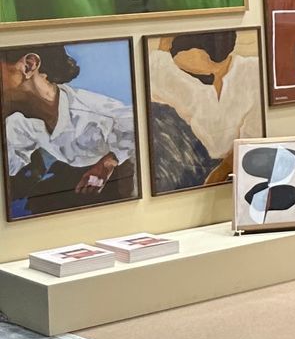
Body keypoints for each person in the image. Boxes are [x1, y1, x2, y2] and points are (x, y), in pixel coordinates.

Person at [3, 45, 138, 218]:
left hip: (121, 177)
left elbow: (139, 125)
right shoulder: (18, 122)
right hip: (75, 174)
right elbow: (10, 164)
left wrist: (108, 163)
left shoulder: (90, 112)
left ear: (29, 66)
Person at [145, 32, 261, 191]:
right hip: (190, 161)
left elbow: (253, 138)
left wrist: (219, 174)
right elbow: (155, 72)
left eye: (194, 72)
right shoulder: (176, 75)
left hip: (238, 165)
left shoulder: (253, 72)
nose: (186, 75)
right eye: (183, 70)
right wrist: (166, 42)